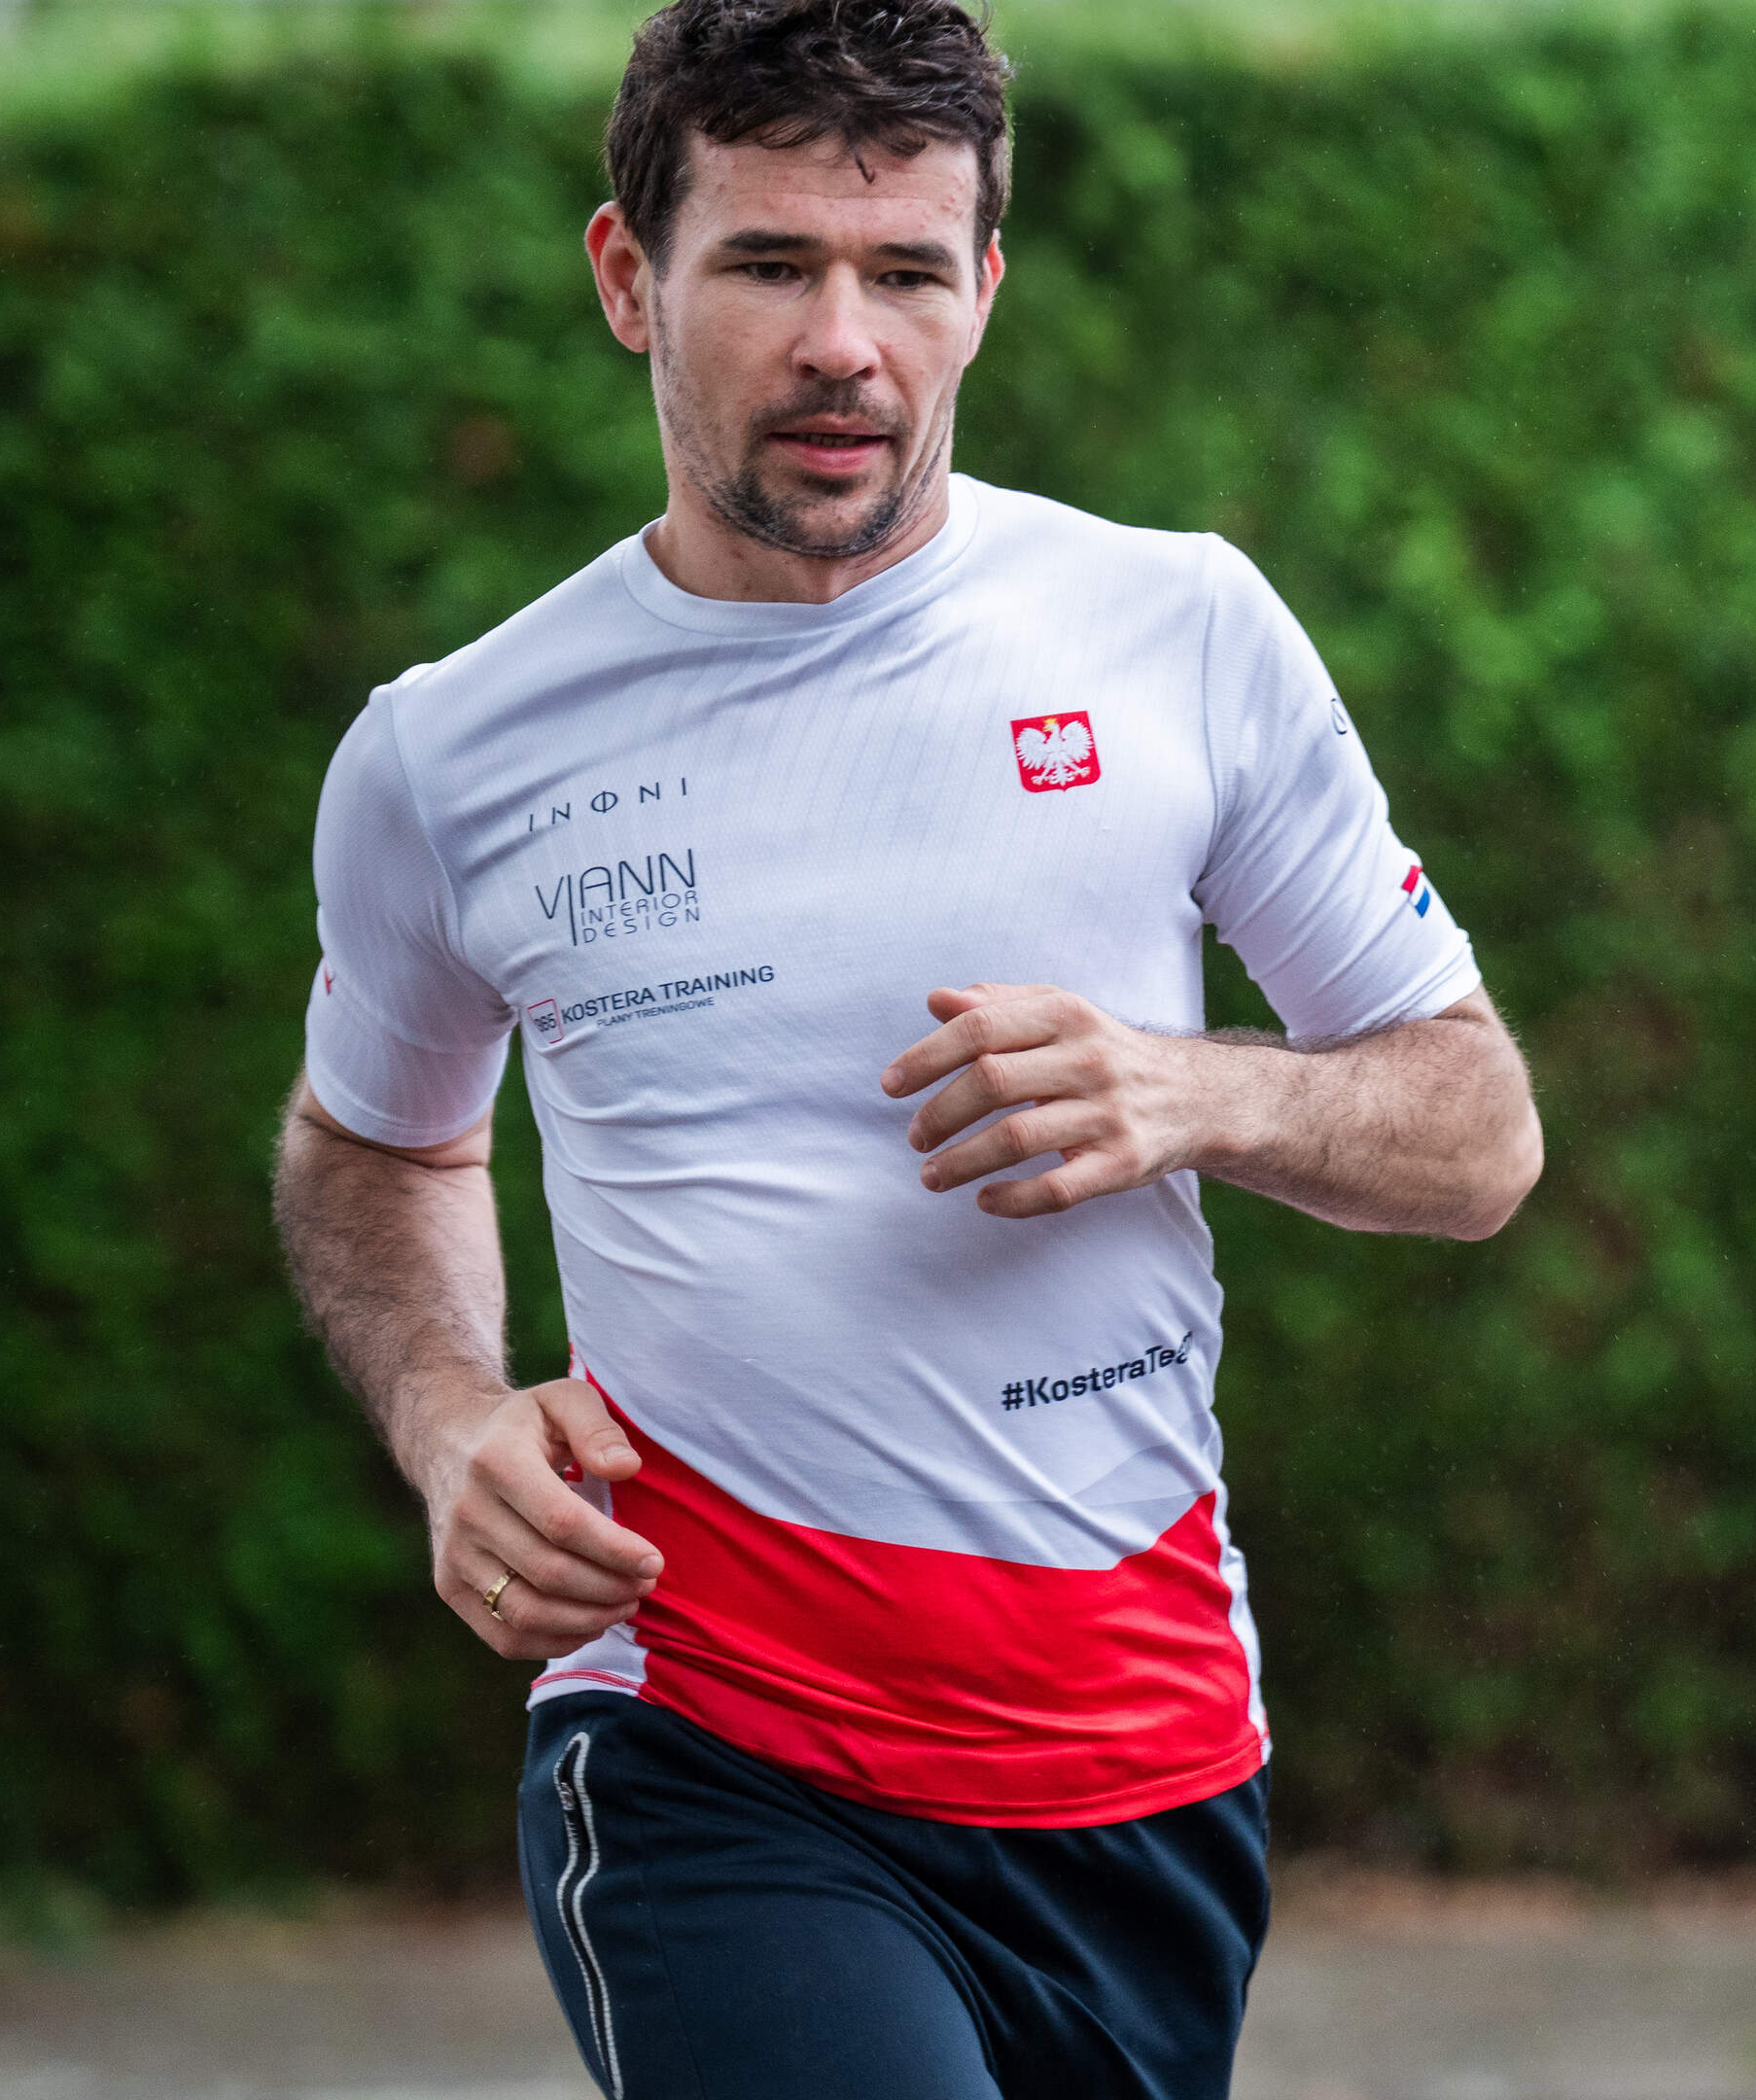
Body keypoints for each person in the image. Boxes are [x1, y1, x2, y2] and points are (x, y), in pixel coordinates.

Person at [267, 2, 1543, 2093]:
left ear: (986, 294)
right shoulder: (452, 751)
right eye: (770, 265)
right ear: (627, 278)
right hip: (709, 1743)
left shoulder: (1178, 632)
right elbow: (377, 1144)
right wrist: (446, 1417)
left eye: (907, 272)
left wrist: (1195, 1091)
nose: (843, 344)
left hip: (1143, 1758)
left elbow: (1476, 1130)